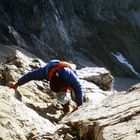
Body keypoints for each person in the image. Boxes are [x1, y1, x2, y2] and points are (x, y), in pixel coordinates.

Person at [7, 60, 84, 113]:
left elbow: (78, 86)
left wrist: (79, 105)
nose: (64, 92)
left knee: (76, 94)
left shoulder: (67, 74)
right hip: (55, 71)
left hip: (69, 70)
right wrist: (16, 84)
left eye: (64, 90)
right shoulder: (44, 73)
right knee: (60, 98)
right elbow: (29, 76)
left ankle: (74, 99)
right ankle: (66, 104)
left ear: (66, 83)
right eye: (63, 91)